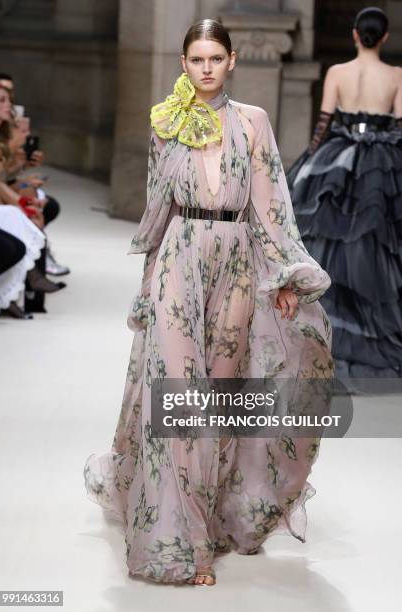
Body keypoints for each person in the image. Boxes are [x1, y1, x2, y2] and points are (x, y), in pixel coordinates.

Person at [83, 19, 333, 586]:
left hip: (237, 263)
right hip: (179, 257)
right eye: (196, 60)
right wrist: (149, 287)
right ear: (183, 63)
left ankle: (207, 517)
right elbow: (157, 209)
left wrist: (286, 278)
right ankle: (184, 541)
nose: (206, 69)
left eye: (215, 59)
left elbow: (271, 207)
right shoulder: (166, 123)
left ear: (232, 61)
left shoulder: (253, 123)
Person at [287, 7, 402, 383]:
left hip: (338, 157)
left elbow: (324, 123)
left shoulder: (337, 72)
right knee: (374, 242)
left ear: (355, 34)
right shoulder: (397, 75)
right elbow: (399, 126)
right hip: (381, 161)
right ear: (384, 37)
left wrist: (310, 159)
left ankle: (324, 332)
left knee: (331, 241)